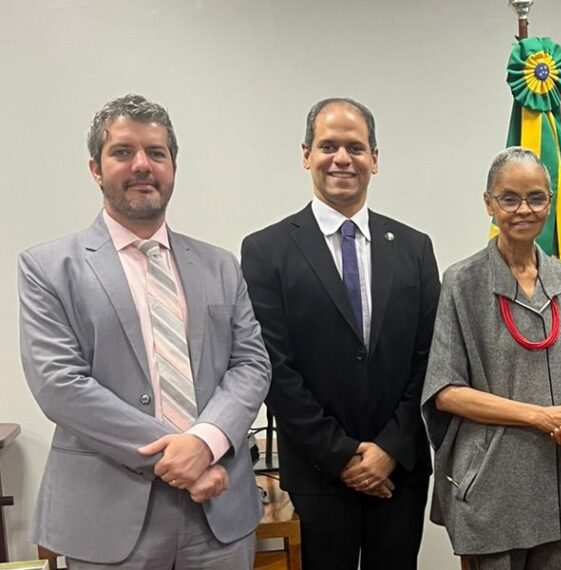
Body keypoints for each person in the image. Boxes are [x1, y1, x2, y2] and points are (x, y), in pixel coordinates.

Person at [18, 94, 270, 568]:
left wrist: (206, 442)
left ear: (173, 166)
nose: (142, 165)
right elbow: (60, 385)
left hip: (218, 515)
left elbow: (251, 364)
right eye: (122, 152)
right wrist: (180, 460)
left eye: (156, 153)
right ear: (95, 168)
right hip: (108, 518)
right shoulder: (48, 268)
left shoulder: (220, 265)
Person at [241, 97, 440, 569]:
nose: (342, 158)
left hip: (400, 472)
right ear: (306, 153)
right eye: (329, 145)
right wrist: (345, 457)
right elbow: (274, 367)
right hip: (317, 475)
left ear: (375, 157)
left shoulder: (414, 248)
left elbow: (430, 358)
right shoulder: (266, 251)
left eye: (355, 146)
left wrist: (389, 448)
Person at [421, 147, 561, 570]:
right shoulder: (463, 282)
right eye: (509, 198)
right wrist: (542, 417)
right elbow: (446, 392)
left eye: (536, 198)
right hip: (493, 482)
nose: (524, 209)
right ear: (489, 203)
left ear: (550, 203)